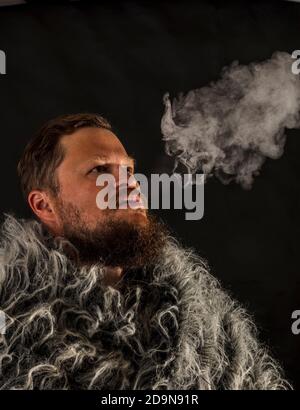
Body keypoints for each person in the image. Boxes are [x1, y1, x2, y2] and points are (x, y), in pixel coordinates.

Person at [0, 113, 291, 389]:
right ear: (44, 206)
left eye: (128, 170)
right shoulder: (11, 333)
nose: (130, 184)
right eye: (99, 170)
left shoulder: (210, 328)